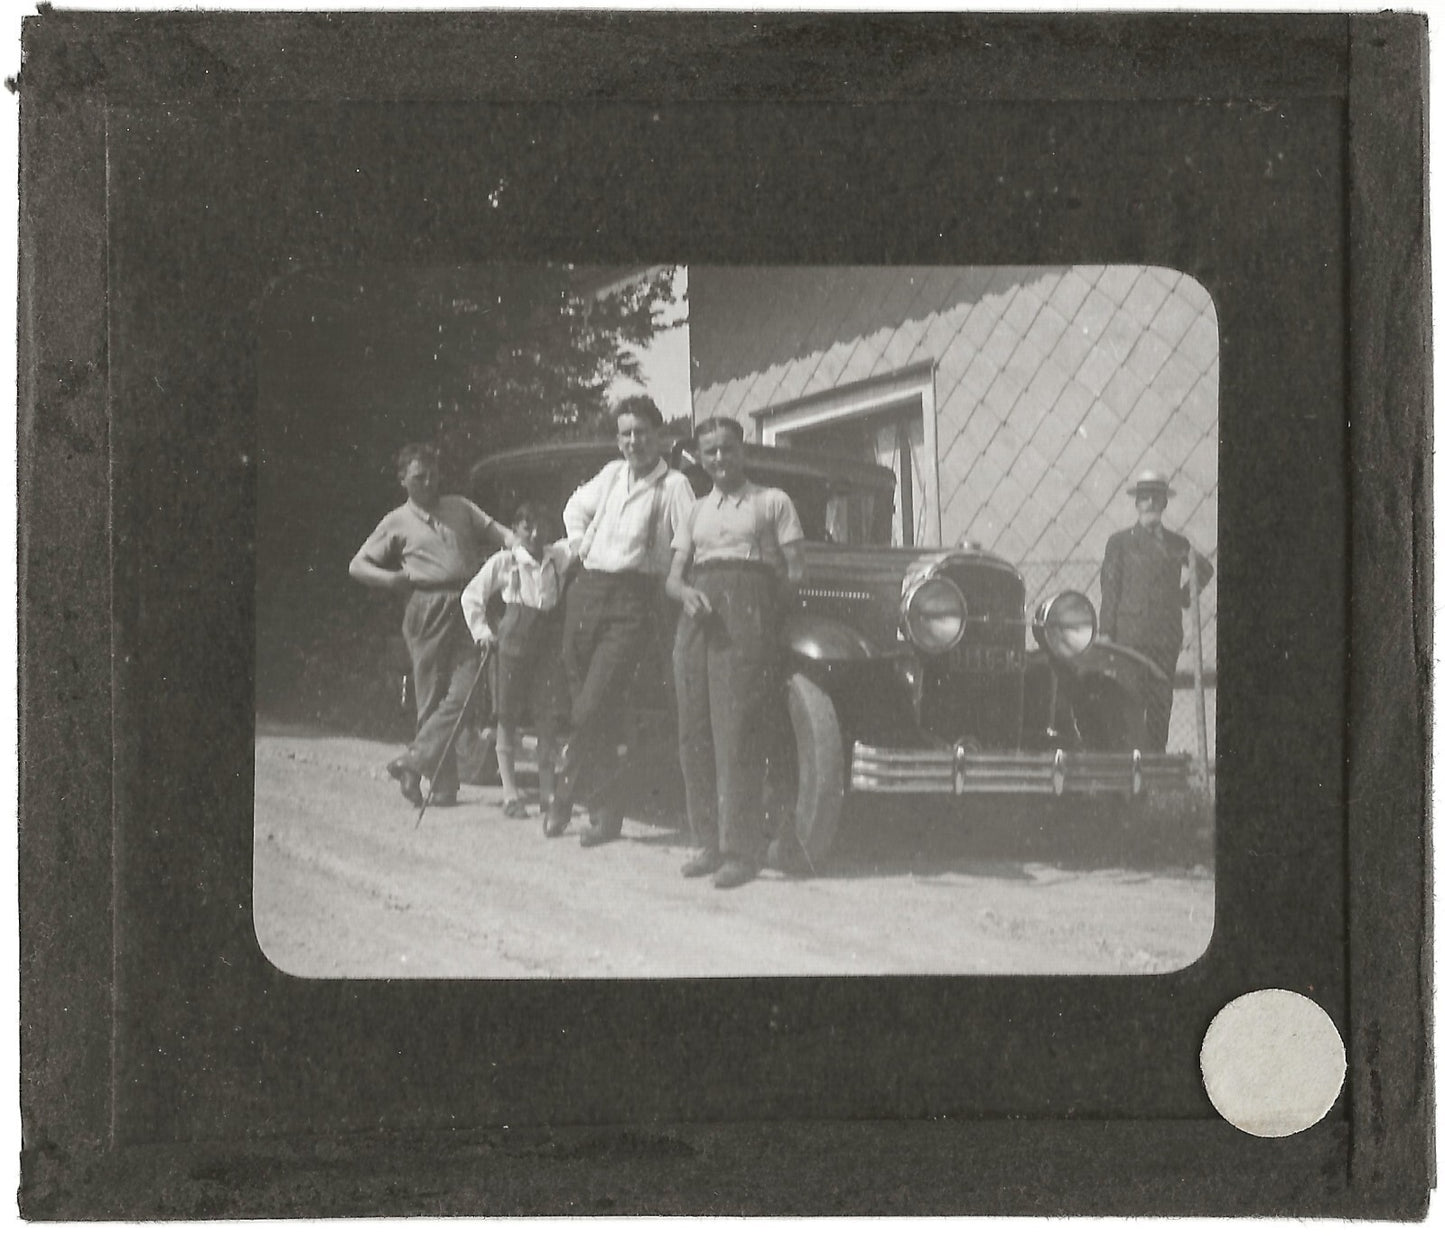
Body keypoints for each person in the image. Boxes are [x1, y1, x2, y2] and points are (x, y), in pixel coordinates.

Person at [546, 394, 697, 845]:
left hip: (633, 600)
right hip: (586, 594)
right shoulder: (612, 474)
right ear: (618, 440)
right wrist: (579, 543)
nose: (634, 441)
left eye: (642, 433)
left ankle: (562, 793)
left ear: (660, 436)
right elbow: (574, 508)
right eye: (626, 434)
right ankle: (606, 814)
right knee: (598, 709)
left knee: (591, 706)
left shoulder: (674, 486)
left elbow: (689, 541)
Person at [666, 417, 805, 890]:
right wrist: (685, 594)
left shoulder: (772, 502)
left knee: (737, 733)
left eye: (728, 449)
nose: (720, 459)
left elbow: (795, 572)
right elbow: (673, 577)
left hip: (747, 612)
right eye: (711, 452)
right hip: (697, 615)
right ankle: (707, 843)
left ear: (743, 451)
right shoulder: (695, 510)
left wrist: (758, 611)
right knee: (694, 731)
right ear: (700, 458)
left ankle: (740, 852)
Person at [349, 443, 514, 808]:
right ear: (402, 479)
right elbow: (357, 565)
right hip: (426, 606)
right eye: (419, 477)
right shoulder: (396, 521)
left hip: (469, 602)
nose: (428, 483)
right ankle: (442, 786)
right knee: (430, 696)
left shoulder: (460, 507)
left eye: (433, 475)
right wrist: (391, 579)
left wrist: (528, 546)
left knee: (468, 690)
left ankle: (413, 762)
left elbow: (502, 534)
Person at [461, 502, 573, 822]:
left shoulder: (557, 557)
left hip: (546, 645)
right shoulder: (506, 561)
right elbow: (472, 596)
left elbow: (585, 539)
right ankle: (510, 793)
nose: (535, 534)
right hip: (513, 642)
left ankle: (548, 792)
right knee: (507, 716)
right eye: (528, 527)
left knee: (547, 717)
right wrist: (483, 633)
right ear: (516, 529)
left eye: (541, 527)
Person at [1098, 469, 1215, 753]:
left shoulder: (1177, 544)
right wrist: (1106, 633)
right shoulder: (1120, 542)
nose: (1150, 502)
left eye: (1156, 497)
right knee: (1129, 703)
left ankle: (1157, 763)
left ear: (1164, 503)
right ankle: (1131, 765)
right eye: (1144, 497)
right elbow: (1110, 589)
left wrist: (1183, 597)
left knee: (1161, 705)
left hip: (1164, 639)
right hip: (1129, 640)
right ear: (1136, 503)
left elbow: (1205, 569)